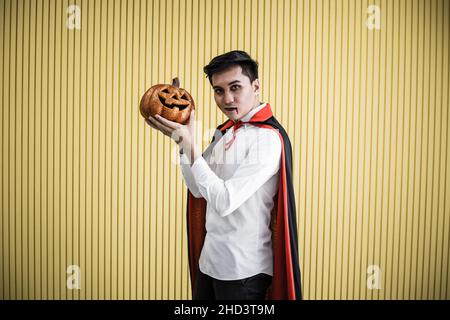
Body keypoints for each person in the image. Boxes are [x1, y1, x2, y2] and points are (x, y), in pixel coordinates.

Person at [145, 50, 302, 300]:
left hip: (243, 273)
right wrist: (182, 142)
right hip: (209, 263)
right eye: (219, 90)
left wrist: (193, 146)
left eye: (235, 87)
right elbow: (197, 189)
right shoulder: (225, 131)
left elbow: (225, 201)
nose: (227, 98)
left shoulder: (268, 139)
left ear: (256, 85)